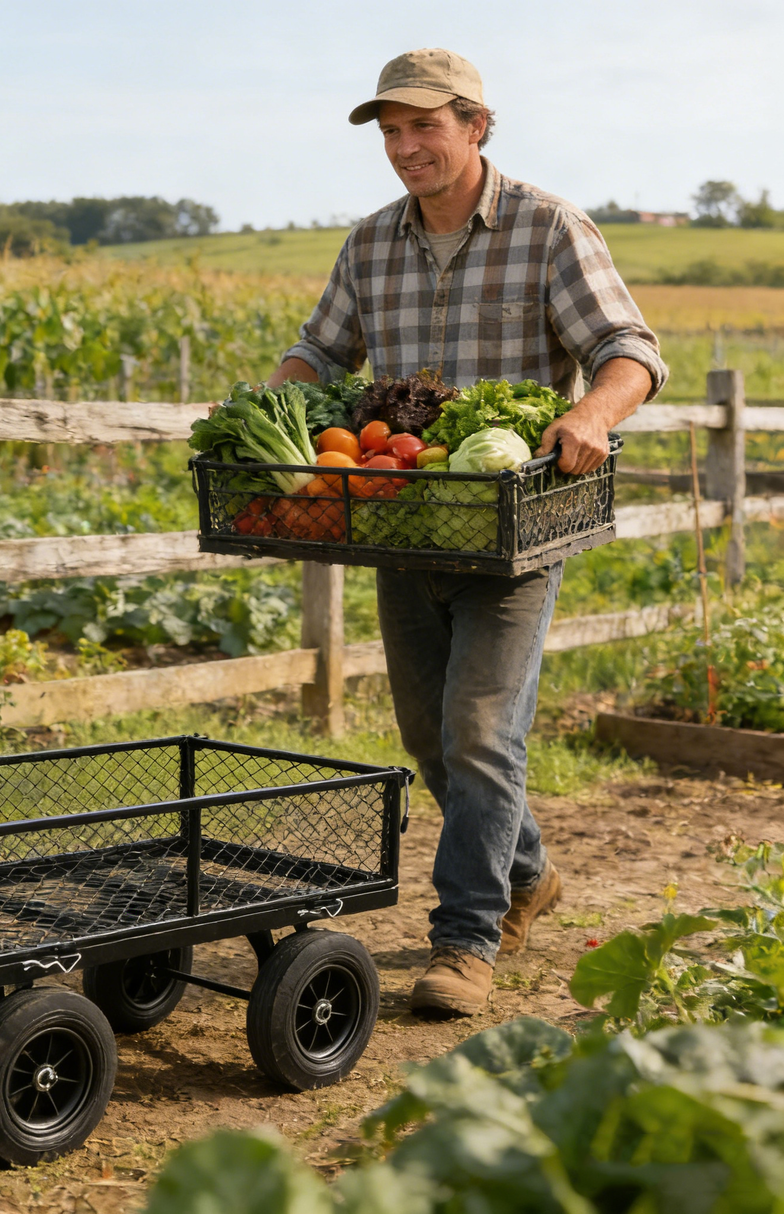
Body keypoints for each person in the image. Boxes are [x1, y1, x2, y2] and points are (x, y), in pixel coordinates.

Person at [267, 47, 667, 1017]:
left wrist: (592, 413)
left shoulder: (546, 228)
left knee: (480, 730)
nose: (405, 147)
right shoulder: (371, 243)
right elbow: (320, 349)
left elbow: (628, 349)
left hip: (513, 527)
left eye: (424, 126)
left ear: (476, 126)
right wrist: (271, 402)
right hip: (405, 524)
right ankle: (527, 872)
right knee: (430, 737)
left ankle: (467, 938)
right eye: (391, 131)